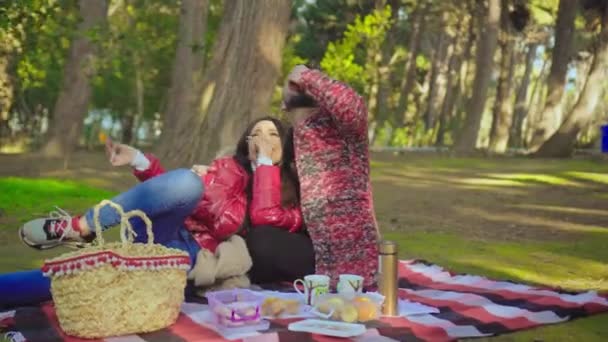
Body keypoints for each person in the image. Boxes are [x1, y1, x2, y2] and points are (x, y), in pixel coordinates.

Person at [3, 117, 304, 308]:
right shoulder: (225, 167)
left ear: (284, 145)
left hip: (188, 250)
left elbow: (237, 220)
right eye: (256, 134)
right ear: (246, 143)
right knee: (186, 180)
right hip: (161, 227)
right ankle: (81, 226)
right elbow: (176, 193)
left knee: (83, 276)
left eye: (272, 134)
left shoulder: (288, 197)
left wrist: (265, 167)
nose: (263, 139)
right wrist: (141, 162)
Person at [280, 65, 380, 289]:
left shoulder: (342, 128)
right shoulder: (296, 135)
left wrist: (304, 75)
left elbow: (351, 104)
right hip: (317, 250)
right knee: (261, 244)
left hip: (352, 258)